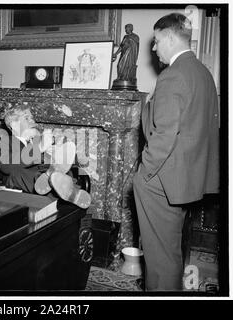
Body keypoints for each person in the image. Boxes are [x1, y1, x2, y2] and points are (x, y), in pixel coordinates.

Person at [133, 13, 219, 291]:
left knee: (160, 259)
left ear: (170, 37)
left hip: (161, 181)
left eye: (157, 41)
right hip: (185, 182)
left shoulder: (173, 75)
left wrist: (143, 174)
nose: (154, 48)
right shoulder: (203, 73)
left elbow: (163, 135)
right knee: (170, 251)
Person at [0, 105, 92, 209]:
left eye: (32, 118)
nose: (32, 121)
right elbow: (7, 166)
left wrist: (53, 154)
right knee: (19, 173)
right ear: (14, 124)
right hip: (21, 184)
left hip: (43, 184)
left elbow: (68, 163)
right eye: (27, 118)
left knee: (60, 168)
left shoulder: (39, 140)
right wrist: (39, 149)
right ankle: (56, 183)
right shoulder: (3, 142)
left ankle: (59, 183)